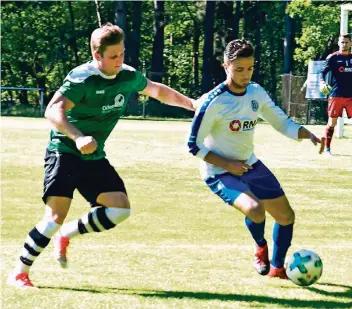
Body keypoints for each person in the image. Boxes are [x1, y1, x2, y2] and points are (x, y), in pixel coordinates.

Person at [7, 23, 195, 289]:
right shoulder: (83, 78)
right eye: (113, 56)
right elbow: (53, 110)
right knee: (54, 216)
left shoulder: (128, 76)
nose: (120, 61)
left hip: (93, 156)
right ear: (98, 56)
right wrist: (78, 136)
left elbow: (157, 91)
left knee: (119, 209)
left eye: (122, 54)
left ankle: (67, 234)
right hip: (64, 150)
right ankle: (19, 272)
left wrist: (192, 104)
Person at [187, 39, 323, 279]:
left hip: (249, 164)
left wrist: (307, 133)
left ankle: (277, 268)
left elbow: (280, 121)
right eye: (239, 69)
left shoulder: (256, 92)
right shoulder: (214, 101)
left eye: (249, 68)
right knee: (255, 209)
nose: (245, 74)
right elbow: (192, 145)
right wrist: (229, 165)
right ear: (226, 65)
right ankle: (260, 245)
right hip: (218, 171)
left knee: (286, 216)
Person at [320, 33, 352, 155]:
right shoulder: (332, 58)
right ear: (338, 43)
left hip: (350, 96)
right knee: (332, 122)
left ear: (351, 43)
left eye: (346, 42)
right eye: (342, 42)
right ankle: (327, 148)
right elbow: (322, 72)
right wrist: (322, 82)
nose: (344, 44)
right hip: (336, 94)